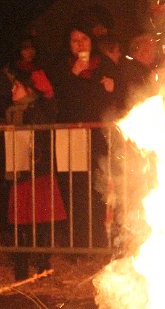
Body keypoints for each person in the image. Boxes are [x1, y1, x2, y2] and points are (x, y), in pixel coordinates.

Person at [50, 24, 115, 249]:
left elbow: (113, 98)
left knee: (97, 187)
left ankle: (98, 240)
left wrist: (110, 88)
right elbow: (59, 99)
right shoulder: (62, 68)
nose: (80, 45)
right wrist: (73, 74)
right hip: (71, 136)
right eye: (74, 40)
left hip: (97, 135)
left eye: (84, 39)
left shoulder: (104, 64)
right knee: (75, 188)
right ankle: (77, 243)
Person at [1, 69, 66, 280]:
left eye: (17, 86)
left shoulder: (38, 109)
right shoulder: (12, 111)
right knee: (21, 221)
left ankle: (42, 265)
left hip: (38, 173)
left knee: (41, 222)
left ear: (29, 89)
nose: (12, 90)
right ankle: (21, 266)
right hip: (20, 173)